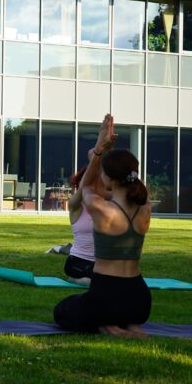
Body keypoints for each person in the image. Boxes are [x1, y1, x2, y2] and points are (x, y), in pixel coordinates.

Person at [54, 114, 152, 338]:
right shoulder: (145, 206)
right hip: (140, 298)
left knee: (62, 311)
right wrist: (112, 157)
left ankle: (110, 327)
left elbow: (86, 185)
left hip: (107, 294)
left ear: (107, 177)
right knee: (125, 313)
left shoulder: (99, 206)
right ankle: (132, 326)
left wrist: (99, 149)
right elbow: (129, 181)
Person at [63, 154, 102, 285]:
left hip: (101, 263)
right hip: (78, 261)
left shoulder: (106, 205)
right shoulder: (76, 206)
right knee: (93, 283)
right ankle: (74, 278)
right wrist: (94, 159)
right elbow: (83, 186)